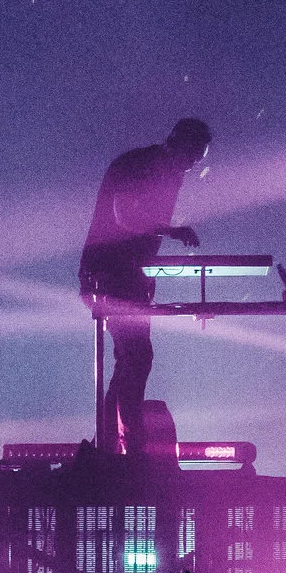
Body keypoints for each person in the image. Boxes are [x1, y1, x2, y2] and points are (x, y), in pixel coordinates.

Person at [78, 118, 212, 454]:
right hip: (111, 273)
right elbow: (124, 216)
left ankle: (109, 445)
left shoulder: (158, 169)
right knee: (137, 357)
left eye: (197, 160)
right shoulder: (143, 166)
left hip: (121, 274)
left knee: (130, 359)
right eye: (191, 157)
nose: (192, 165)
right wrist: (173, 231)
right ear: (175, 143)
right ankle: (132, 448)